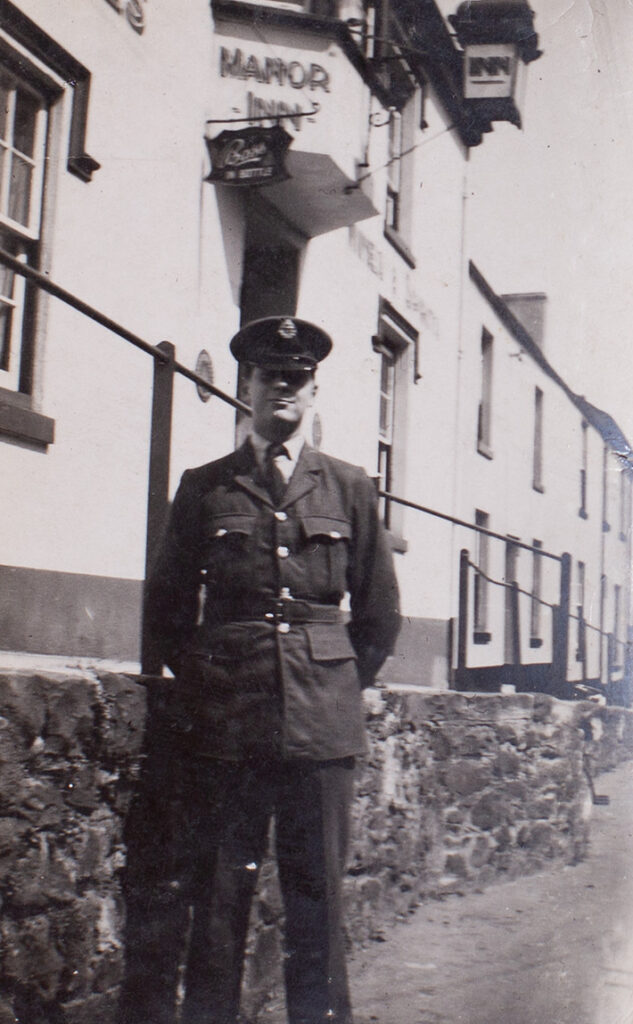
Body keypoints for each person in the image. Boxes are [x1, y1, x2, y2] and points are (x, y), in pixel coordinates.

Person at [119, 316, 400, 1024]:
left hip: (322, 726)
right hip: (226, 722)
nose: (283, 387)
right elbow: (169, 607)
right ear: (246, 386)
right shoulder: (206, 485)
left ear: (312, 389)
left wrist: (333, 680)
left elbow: (377, 616)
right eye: (270, 376)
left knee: (318, 900)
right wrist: (213, 674)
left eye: (296, 377)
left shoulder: (349, 487)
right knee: (216, 896)